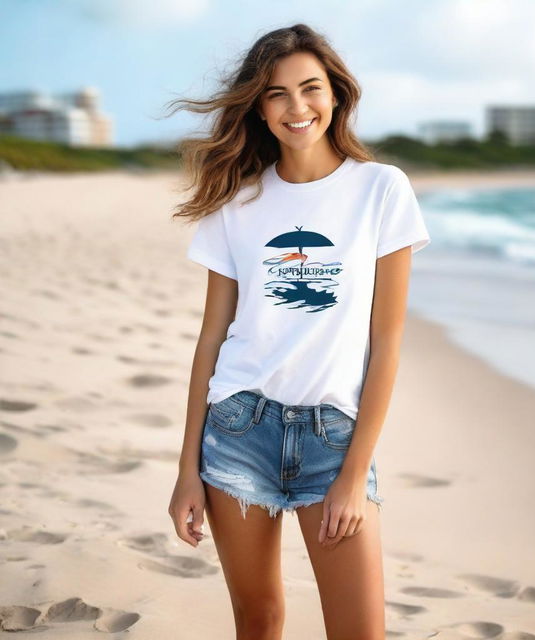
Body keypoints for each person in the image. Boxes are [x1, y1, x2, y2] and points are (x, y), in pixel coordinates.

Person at [167, 23, 431, 640]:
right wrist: (186, 470)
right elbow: (211, 338)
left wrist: (353, 474)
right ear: (259, 108)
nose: (296, 107)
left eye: (310, 88)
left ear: (335, 95)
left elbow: (387, 341)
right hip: (237, 430)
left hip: (334, 436)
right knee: (258, 622)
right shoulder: (238, 201)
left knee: (359, 630)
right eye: (276, 94)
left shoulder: (381, 189)